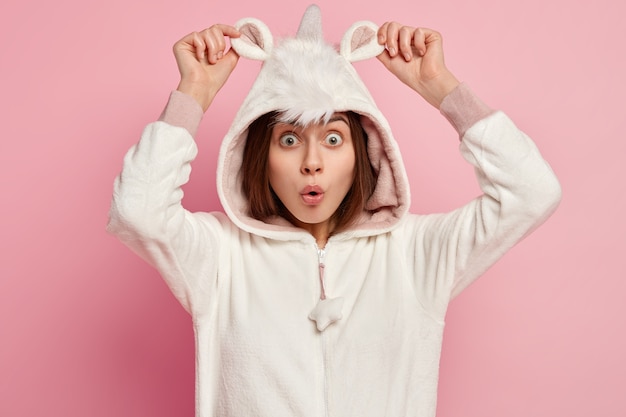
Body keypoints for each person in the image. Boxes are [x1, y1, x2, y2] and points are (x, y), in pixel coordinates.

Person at [107, 5, 561, 417]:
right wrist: (194, 94)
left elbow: (531, 192)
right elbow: (138, 211)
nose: (312, 161)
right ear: (258, 155)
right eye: (289, 138)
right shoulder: (220, 254)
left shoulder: (415, 252)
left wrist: (441, 88)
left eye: (333, 138)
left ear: (365, 152)